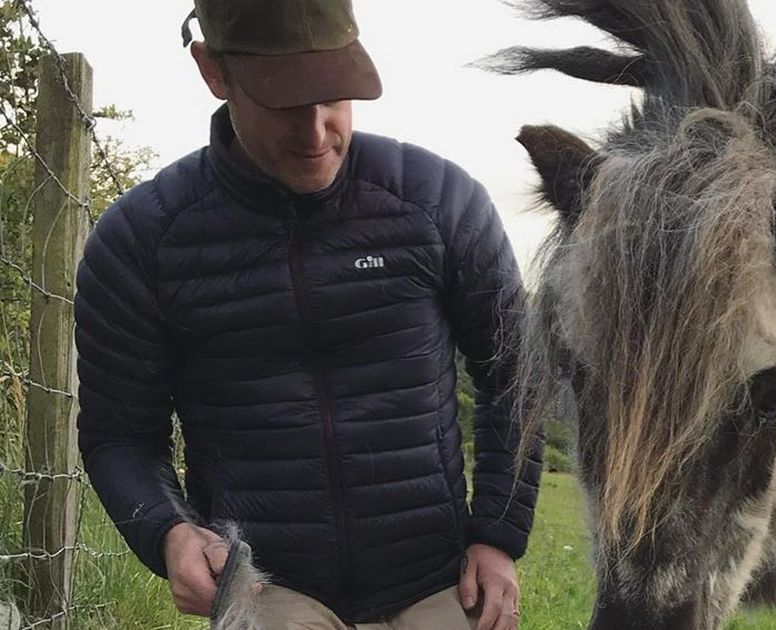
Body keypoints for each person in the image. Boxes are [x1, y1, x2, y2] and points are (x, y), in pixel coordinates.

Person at [73, 1, 540, 628]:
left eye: (334, 96)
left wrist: (497, 535)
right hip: (267, 588)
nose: (318, 132)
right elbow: (120, 436)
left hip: (436, 576)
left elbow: (517, 381)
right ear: (214, 72)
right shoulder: (140, 241)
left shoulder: (438, 203)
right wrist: (168, 533)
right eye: (283, 102)